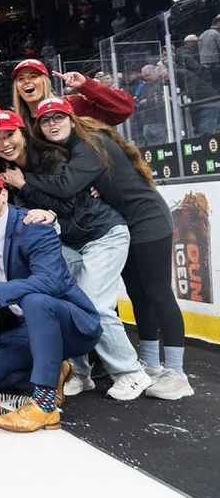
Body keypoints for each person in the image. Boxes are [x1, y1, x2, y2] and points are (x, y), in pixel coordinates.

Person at [21, 103, 192, 399]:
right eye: (45, 120)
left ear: (71, 120)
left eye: (58, 117)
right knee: (139, 295)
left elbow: (66, 185)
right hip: (125, 219)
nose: (52, 124)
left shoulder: (91, 144)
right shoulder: (76, 148)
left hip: (147, 219)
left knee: (158, 293)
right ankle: (151, 365)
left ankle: (177, 374)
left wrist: (21, 181)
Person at [0, 104, 151, 400]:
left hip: (103, 234)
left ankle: (130, 372)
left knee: (95, 305)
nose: (4, 143)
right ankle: (80, 372)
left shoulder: (51, 155)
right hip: (69, 242)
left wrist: (27, 188)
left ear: (23, 134)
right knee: (66, 303)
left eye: (9, 134)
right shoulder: (5, 173)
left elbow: (65, 204)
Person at [0, 170, 102, 432]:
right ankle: (55, 370)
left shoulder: (33, 226)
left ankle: (44, 406)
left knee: (34, 299)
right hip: (26, 326)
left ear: (3, 193)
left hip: (71, 323)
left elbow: (51, 281)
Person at [10, 59, 133, 134]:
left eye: (33, 76)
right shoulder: (16, 125)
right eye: (21, 79)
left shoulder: (72, 105)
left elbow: (122, 109)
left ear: (45, 83)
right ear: (18, 89)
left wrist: (86, 85)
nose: (27, 81)